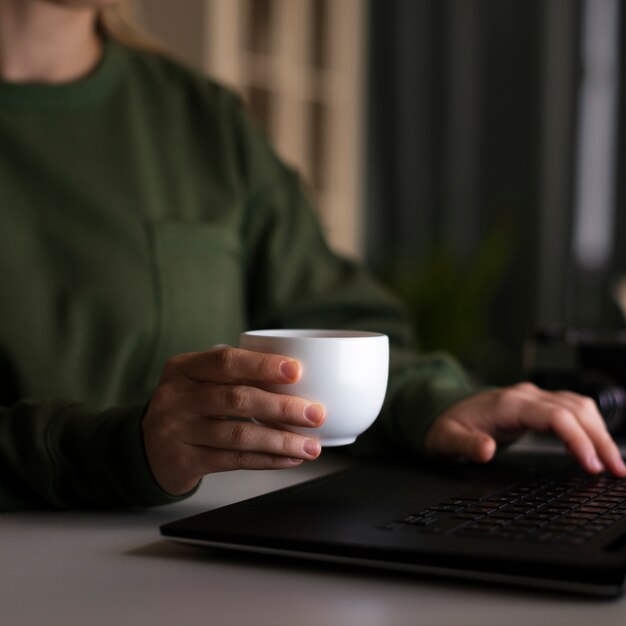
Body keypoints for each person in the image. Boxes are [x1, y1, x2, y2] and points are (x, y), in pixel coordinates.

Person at [0, 0, 624, 510]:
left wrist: (433, 401)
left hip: (209, 566)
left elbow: (332, 312)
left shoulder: (201, 120)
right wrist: (122, 451)